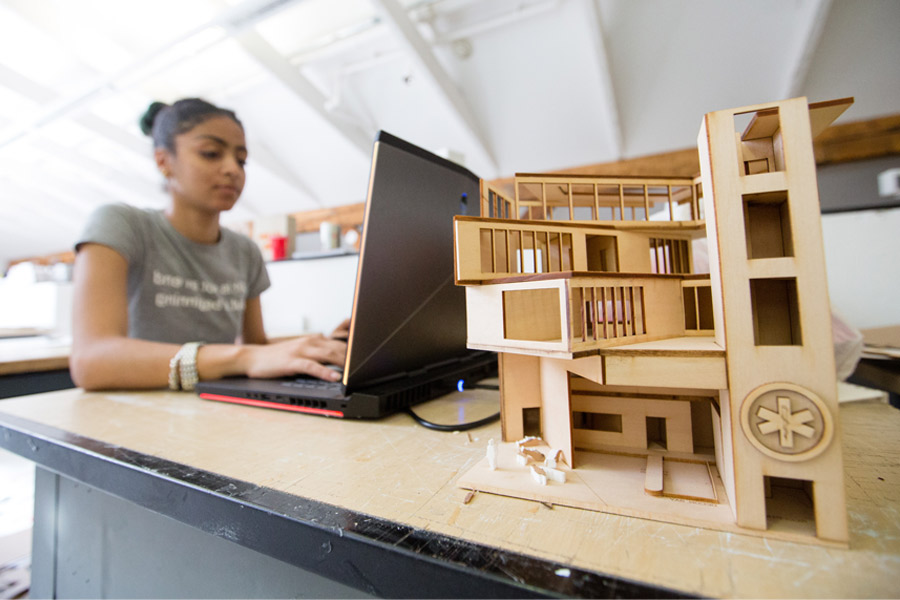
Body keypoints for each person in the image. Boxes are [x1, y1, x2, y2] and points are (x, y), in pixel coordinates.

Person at [70, 98, 348, 391]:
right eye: (211, 153)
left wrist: (323, 345)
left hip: (215, 410)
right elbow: (91, 360)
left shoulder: (245, 251)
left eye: (241, 160)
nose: (232, 169)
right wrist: (242, 357)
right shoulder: (120, 224)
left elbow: (255, 345)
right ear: (163, 161)